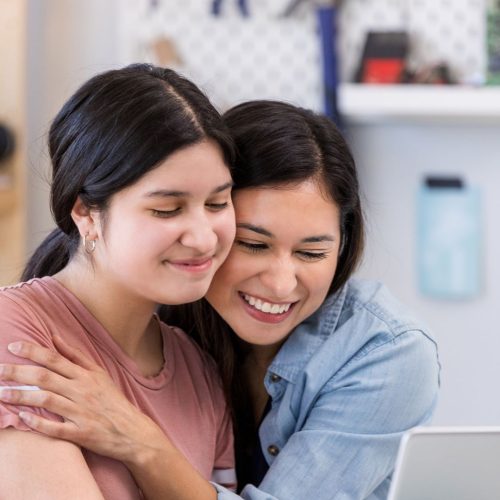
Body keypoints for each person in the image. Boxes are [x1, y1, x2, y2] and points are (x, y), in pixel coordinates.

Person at [0, 101, 440, 499]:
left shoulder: (385, 353)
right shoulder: (167, 306)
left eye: (312, 253)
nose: (283, 284)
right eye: (253, 244)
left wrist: (141, 441)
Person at [0, 64, 238, 499]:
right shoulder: (15, 334)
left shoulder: (199, 372)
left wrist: (140, 442)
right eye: (167, 209)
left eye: (218, 202)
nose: (204, 237)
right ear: (85, 213)